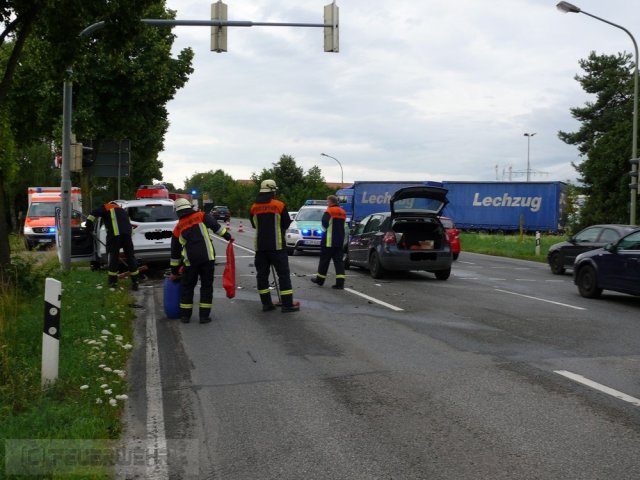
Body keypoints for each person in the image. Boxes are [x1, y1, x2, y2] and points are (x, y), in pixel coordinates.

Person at [169, 198, 232, 323]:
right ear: (189, 207)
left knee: (187, 288)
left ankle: (185, 317)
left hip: (190, 262)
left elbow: (175, 254)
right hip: (207, 258)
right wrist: (228, 236)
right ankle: (204, 317)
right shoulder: (201, 216)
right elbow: (216, 227)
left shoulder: (177, 229)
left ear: (177, 211)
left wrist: (174, 272)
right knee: (206, 287)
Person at [250, 179, 300, 313]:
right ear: (273, 191)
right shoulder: (279, 205)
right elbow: (286, 224)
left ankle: (266, 304)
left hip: (260, 247)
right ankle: (287, 304)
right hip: (277, 247)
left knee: (262, 276)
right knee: (283, 275)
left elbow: (254, 225)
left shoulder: (254, 207)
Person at [86, 201, 140, 290]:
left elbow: (93, 213)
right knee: (130, 257)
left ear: (111, 203)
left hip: (115, 235)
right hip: (127, 235)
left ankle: (112, 283)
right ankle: (135, 282)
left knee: (113, 257)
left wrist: (89, 225)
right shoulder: (122, 210)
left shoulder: (107, 206)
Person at [310, 195, 347, 289]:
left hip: (328, 241)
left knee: (324, 261)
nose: (327, 203)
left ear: (330, 202)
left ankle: (320, 280)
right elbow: (344, 226)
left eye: (327, 202)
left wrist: (323, 233)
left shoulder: (329, 211)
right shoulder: (343, 212)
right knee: (339, 263)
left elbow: (324, 224)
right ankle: (340, 283)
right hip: (339, 242)